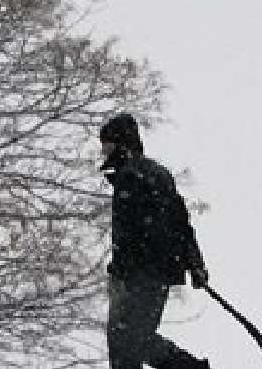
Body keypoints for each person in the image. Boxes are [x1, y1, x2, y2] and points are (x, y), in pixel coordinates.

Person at [97, 112, 211, 369]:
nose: (103, 152)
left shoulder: (130, 177)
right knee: (137, 340)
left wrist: (122, 273)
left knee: (126, 341)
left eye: (106, 145)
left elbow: (128, 236)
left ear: (121, 143)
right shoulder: (158, 174)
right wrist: (195, 264)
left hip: (140, 274)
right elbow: (181, 223)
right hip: (158, 272)